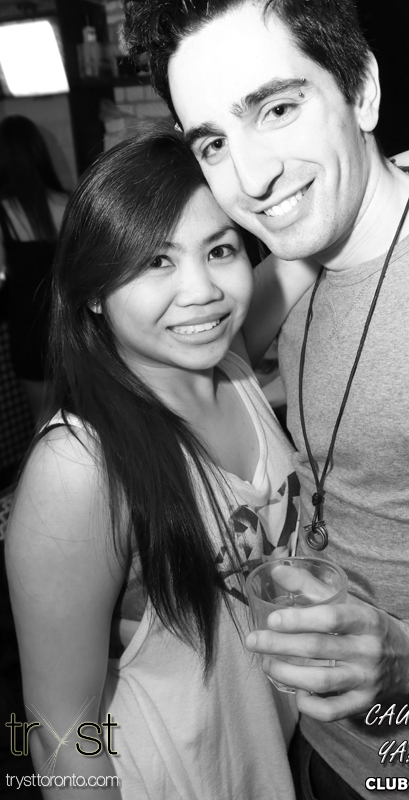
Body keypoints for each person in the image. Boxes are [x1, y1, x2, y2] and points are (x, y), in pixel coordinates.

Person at [122, 3, 409, 799]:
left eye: (277, 109)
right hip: (311, 750)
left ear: (362, 90)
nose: (250, 180)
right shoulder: (279, 274)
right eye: (213, 143)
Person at [6, 129, 316, 799]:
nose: (202, 291)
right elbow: (60, 733)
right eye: (155, 261)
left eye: (220, 249)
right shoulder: (79, 468)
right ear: (92, 290)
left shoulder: (231, 365)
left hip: (275, 761)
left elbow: (325, 215)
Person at [0, 115, 68, 428]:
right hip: (68, 327)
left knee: (43, 422)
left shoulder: (4, 213)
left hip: (26, 331)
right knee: (82, 418)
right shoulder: (68, 202)